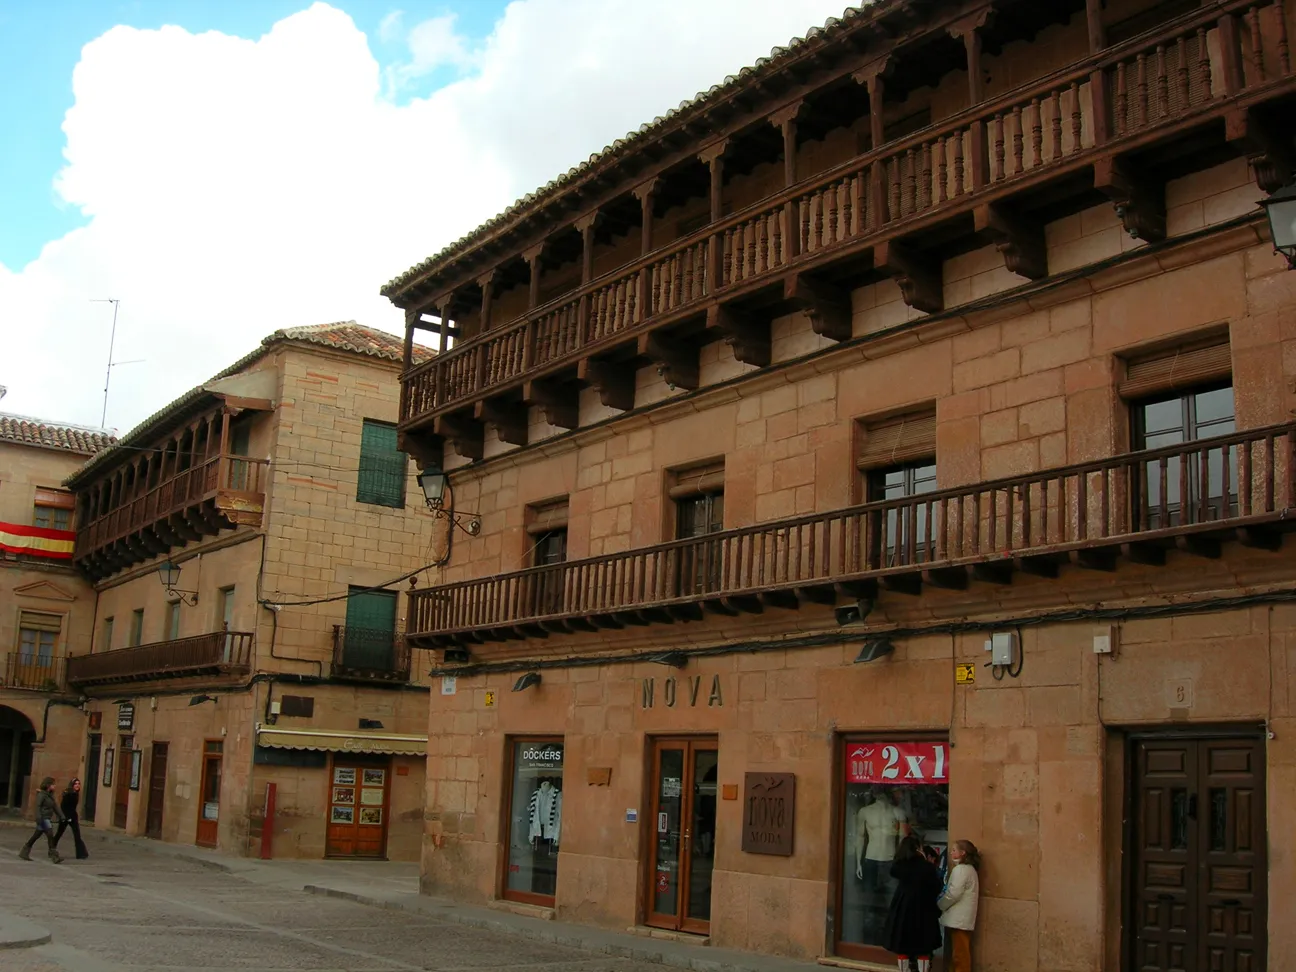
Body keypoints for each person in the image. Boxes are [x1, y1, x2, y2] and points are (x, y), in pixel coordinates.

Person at [884, 835, 943, 972]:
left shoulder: (900, 865)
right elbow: (936, 886)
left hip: (903, 907)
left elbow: (894, 871)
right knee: (924, 945)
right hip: (924, 908)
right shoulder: (926, 866)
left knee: (903, 944)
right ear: (918, 848)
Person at [938, 839, 981, 972]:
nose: (951, 852)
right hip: (961, 918)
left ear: (963, 853)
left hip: (959, 919)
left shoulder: (961, 870)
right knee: (958, 953)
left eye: (954, 850)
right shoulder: (968, 869)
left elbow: (953, 894)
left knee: (960, 954)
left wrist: (940, 904)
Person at [19, 777, 65, 863]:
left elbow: (55, 806)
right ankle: (54, 855)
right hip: (43, 818)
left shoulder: (50, 795)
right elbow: (38, 807)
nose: (54, 786)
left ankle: (24, 851)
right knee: (50, 834)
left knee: (36, 835)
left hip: (46, 818)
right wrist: (39, 818)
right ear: (48, 785)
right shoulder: (41, 795)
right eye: (53, 784)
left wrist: (62, 816)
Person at [53, 778, 89, 860]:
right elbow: (63, 806)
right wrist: (66, 817)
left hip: (73, 816)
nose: (77, 785)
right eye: (75, 784)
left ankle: (81, 853)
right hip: (66, 817)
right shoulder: (68, 794)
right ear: (72, 785)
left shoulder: (75, 793)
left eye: (78, 784)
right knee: (59, 833)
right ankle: (52, 848)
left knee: (77, 835)